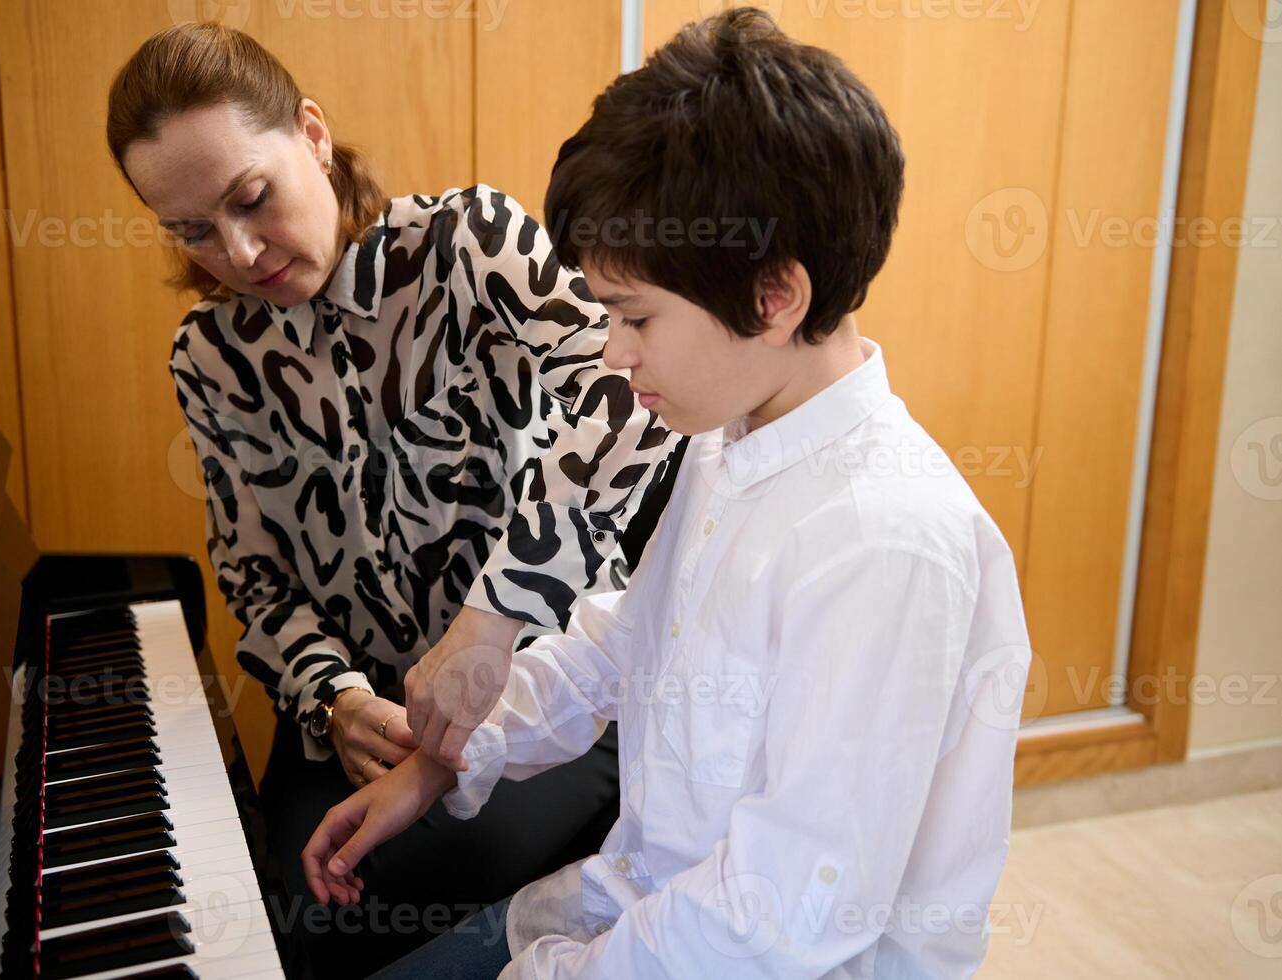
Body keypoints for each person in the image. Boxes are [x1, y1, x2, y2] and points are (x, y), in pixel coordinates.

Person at [301, 8, 1034, 978]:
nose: (611, 351)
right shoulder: (730, 434)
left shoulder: (885, 539)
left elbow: (781, 914)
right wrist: (443, 759)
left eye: (633, 314)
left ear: (775, 297)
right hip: (634, 904)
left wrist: (552, 969)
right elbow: (625, 638)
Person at [105, 22, 682, 978]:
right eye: (192, 230)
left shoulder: (469, 243)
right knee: (289, 907)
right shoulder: (207, 359)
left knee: (355, 923)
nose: (239, 252)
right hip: (363, 708)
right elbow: (252, 573)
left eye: (252, 198)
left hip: (548, 679)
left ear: (313, 135)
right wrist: (332, 696)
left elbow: (628, 394)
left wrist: (491, 617)